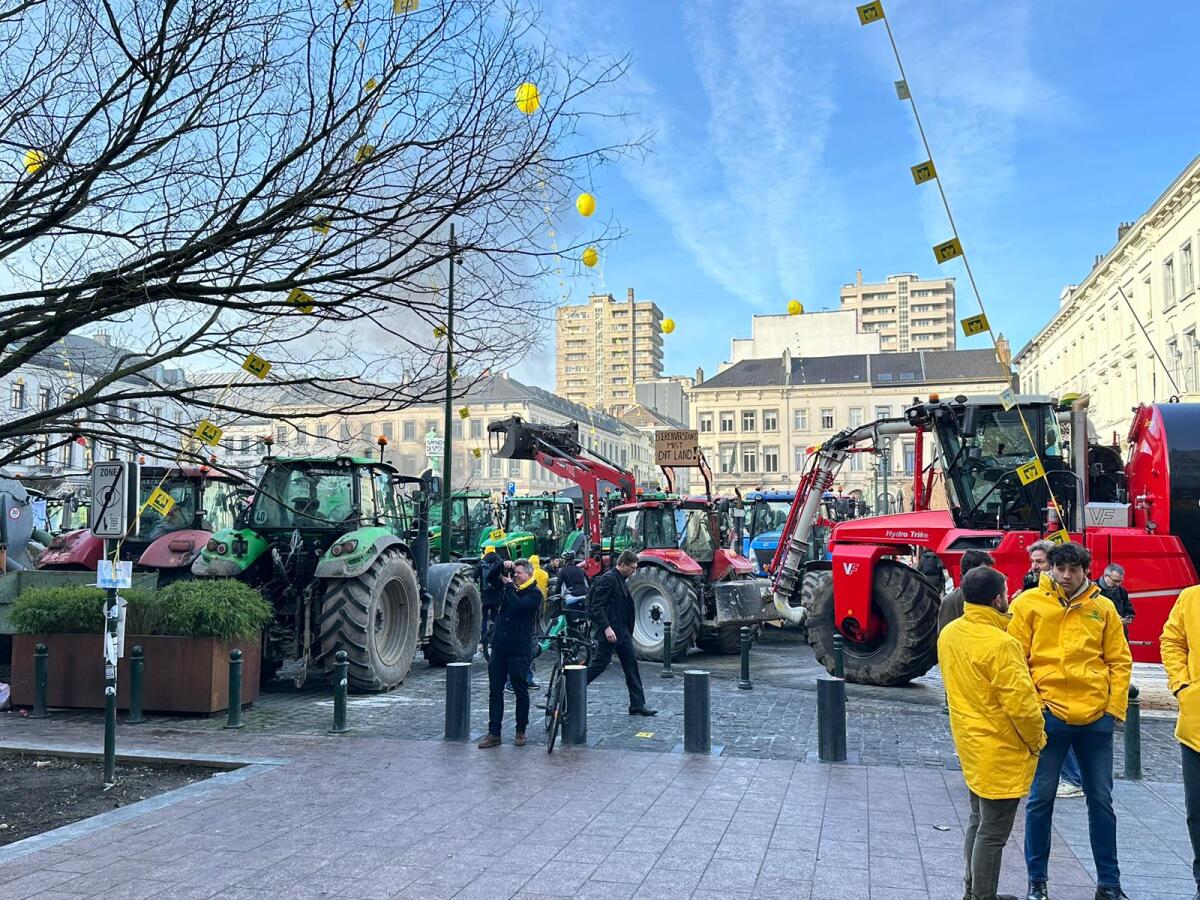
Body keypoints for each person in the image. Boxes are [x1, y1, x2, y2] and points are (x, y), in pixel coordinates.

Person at [1008, 542, 1132, 900]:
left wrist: (1113, 711)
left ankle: (1109, 884)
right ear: (1049, 568)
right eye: (1059, 568)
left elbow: (1119, 661)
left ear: (1085, 570)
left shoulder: (1103, 607)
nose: (1065, 576)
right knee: (1040, 800)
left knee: (1102, 802)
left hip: (1095, 719)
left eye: (1072, 569)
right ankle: (1037, 882)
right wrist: (1036, 708)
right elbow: (1016, 661)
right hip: (1049, 716)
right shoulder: (1028, 604)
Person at [940, 566, 1046, 900]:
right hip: (999, 748)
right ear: (998, 598)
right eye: (1006, 591)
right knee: (993, 832)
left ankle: (973, 890)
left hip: (970, 743)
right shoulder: (1001, 644)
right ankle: (982, 896)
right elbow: (1022, 705)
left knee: (978, 820)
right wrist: (1037, 740)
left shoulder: (952, 633)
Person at [1159, 585, 1200, 900]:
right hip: (1196, 729)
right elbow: (1172, 640)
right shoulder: (1191, 597)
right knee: (1197, 812)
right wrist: (1182, 685)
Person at [478, 558, 542, 749]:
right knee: (495, 692)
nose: (515, 576)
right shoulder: (509, 587)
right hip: (500, 648)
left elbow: (517, 606)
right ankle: (494, 732)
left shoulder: (534, 594)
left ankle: (520, 731)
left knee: (520, 691)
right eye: (514, 573)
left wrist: (508, 587)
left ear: (529, 575)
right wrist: (501, 565)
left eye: (519, 573)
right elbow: (490, 577)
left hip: (519, 650)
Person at [587, 549, 656, 716]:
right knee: (598, 665)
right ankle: (573, 686)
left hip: (622, 632)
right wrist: (607, 628)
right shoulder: (609, 579)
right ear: (623, 564)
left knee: (631, 666)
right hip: (611, 632)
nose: (634, 571)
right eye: (632, 568)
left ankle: (637, 704)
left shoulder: (621, 579)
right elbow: (597, 606)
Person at [937, 550, 994, 635]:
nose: (989, 576)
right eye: (984, 572)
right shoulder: (951, 601)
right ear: (970, 573)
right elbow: (944, 637)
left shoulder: (992, 596)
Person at [1096, 563, 1134, 636]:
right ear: (1106, 576)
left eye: (1120, 581)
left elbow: (1129, 610)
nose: (1117, 584)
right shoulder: (1092, 589)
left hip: (1119, 634)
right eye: (1115, 581)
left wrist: (1128, 618)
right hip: (1099, 634)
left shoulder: (1122, 591)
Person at [479, 546, 504, 656]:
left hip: (485, 596)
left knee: (484, 617)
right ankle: (494, 635)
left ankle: (484, 636)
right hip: (497, 595)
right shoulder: (500, 563)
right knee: (495, 616)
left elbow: (473, 576)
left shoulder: (481, 563)